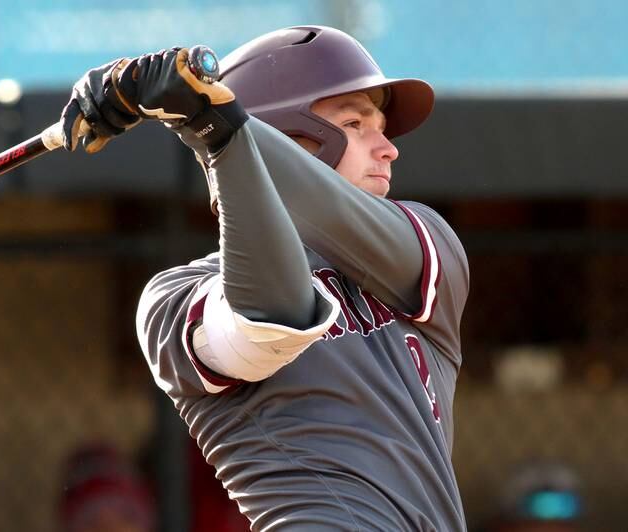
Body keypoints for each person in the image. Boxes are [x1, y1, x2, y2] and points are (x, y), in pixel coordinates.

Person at [60, 25, 469, 532]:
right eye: (355, 123)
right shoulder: (173, 297)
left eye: (382, 128)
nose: (389, 149)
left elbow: (329, 213)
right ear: (289, 137)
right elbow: (273, 312)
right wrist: (218, 128)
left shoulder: (429, 241)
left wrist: (216, 122)